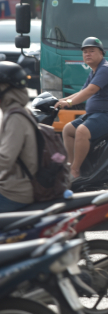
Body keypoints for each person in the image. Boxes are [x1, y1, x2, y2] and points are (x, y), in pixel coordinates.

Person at [56, 37, 108, 179]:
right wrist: (60, 100)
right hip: (97, 115)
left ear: (101, 53)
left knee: (82, 131)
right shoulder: (95, 70)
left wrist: (69, 103)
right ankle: (72, 165)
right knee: (68, 130)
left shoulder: (105, 69)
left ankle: (75, 171)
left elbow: (90, 91)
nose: (87, 54)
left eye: (92, 51)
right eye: (85, 52)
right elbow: (82, 91)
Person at [0, 62, 37, 212]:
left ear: (5, 88)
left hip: (16, 191)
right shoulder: (18, 111)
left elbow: (5, 159)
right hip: (13, 183)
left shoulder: (16, 117)